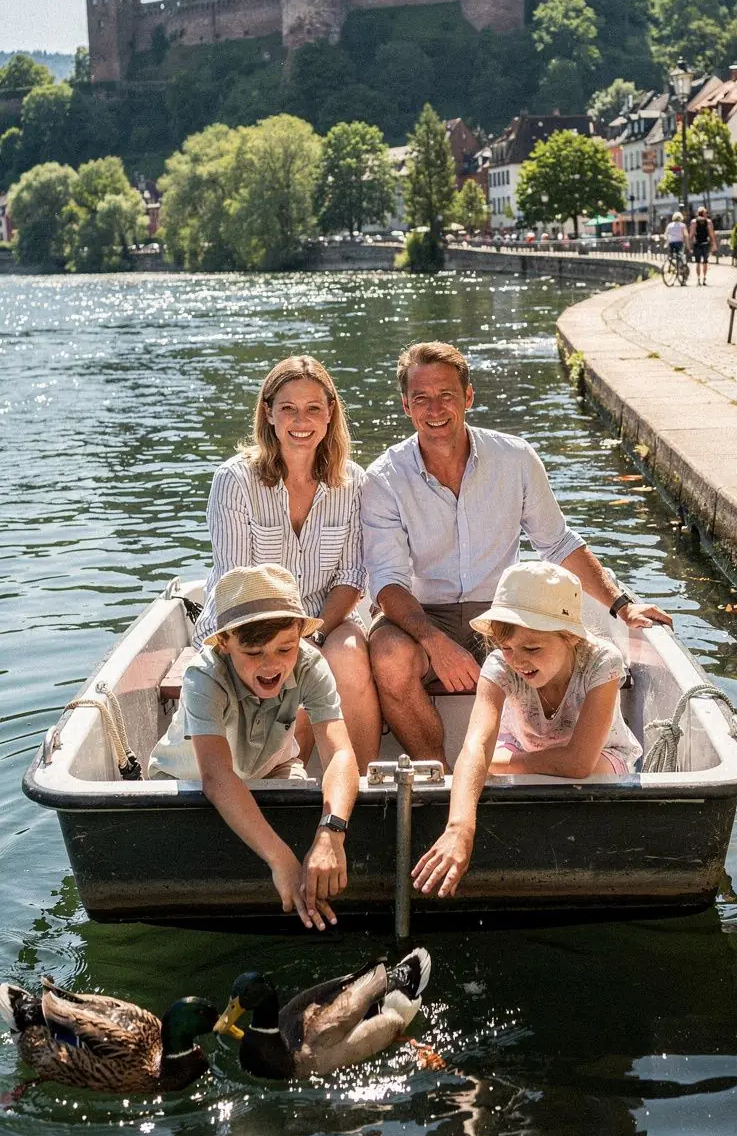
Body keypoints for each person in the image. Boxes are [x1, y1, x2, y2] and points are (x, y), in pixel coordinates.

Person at [361, 340, 671, 767]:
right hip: (422, 615)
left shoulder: (515, 458)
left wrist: (621, 605)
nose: (435, 409)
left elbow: (557, 543)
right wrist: (435, 643)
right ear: (406, 406)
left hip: (504, 613)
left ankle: (550, 756)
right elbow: (387, 582)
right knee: (388, 655)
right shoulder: (383, 478)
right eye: (421, 399)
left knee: (562, 648)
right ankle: (440, 775)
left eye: (446, 395)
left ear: (468, 397)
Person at [411, 561, 642, 897]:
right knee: (478, 772)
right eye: (506, 648)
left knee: (588, 772)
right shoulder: (500, 665)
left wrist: (500, 764)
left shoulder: (602, 661)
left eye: (532, 648)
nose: (518, 661)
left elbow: (578, 763)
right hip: (524, 745)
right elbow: (475, 745)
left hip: (600, 754)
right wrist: (460, 826)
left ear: (571, 637)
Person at [196, 355, 381, 773]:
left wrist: (315, 635)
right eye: (288, 409)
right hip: (246, 622)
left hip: (325, 619)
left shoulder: (352, 481)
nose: (302, 421)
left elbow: (351, 576)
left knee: (350, 656)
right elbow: (237, 583)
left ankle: (364, 786)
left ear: (330, 413)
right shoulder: (235, 480)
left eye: (313, 408)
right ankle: (283, 784)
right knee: (288, 669)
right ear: (268, 413)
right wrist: (291, 645)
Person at [149, 565, 358, 931]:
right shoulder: (204, 675)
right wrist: (282, 860)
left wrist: (331, 832)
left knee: (305, 810)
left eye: (285, 648)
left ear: (299, 634)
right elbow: (216, 778)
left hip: (272, 771)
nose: (270, 665)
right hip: (187, 783)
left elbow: (340, 753)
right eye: (253, 651)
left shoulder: (311, 665)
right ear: (225, 642)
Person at [688, 206, 716, 285]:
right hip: (705, 243)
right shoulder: (708, 222)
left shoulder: (694, 221)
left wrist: (689, 244)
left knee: (698, 262)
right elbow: (711, 234)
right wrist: (714, 244)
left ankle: (698, 279)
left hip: (697, 244)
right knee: (705, 262)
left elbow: (691, 234)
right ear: (704, 213)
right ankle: (704, 278)